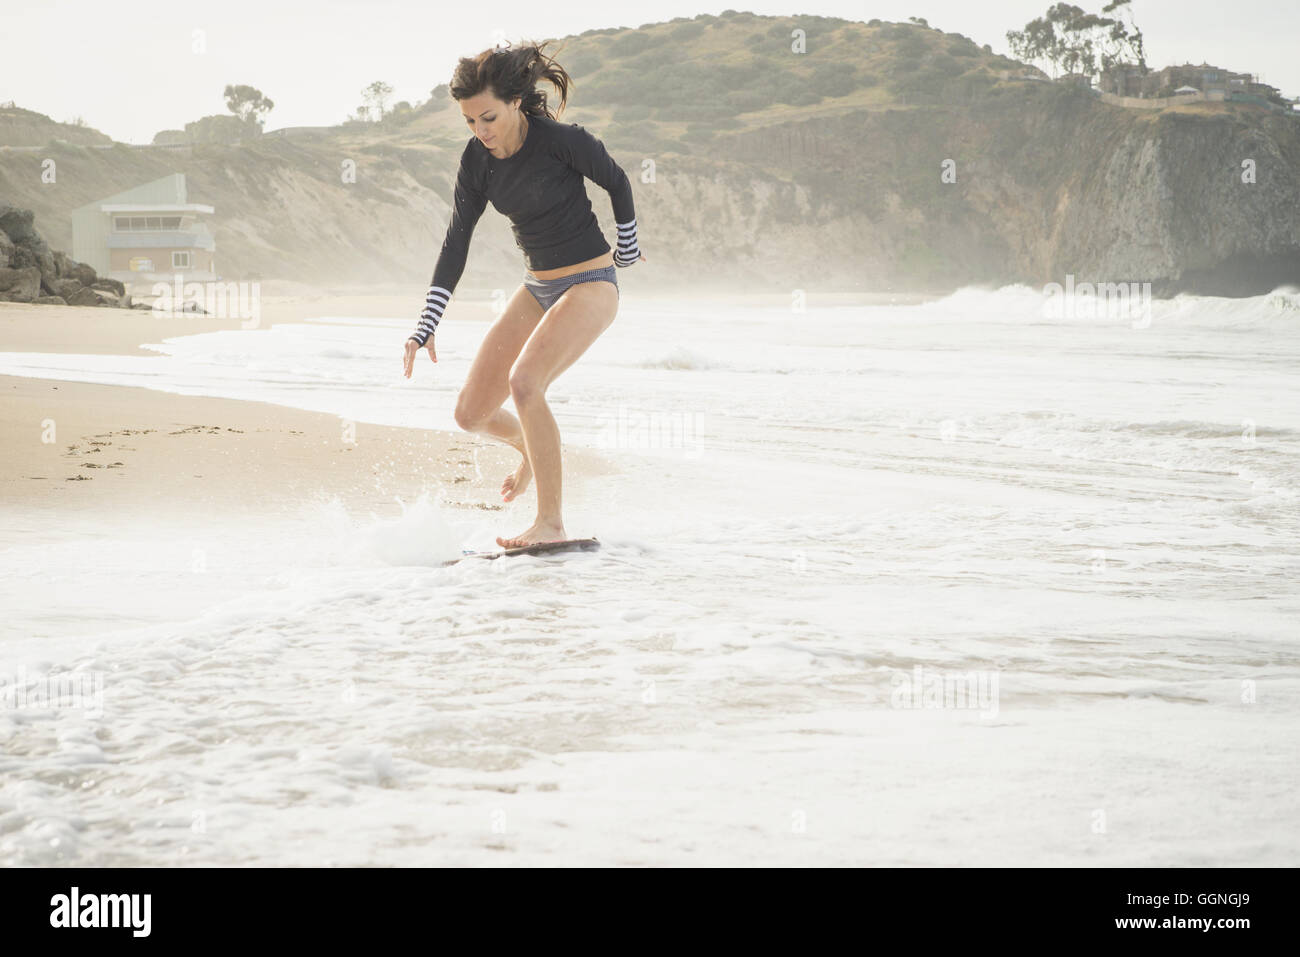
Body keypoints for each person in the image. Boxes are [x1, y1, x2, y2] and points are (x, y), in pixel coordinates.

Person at [402, 39, 645, 549]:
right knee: (471, 413)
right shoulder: (476, 163)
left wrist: (626, 249)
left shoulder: (561, 140)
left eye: (487, 117)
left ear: (515, 101)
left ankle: (551, 524)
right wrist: (425, 327)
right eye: (470, 122)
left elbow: (617, 182)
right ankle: (532, 451)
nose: (480, 131)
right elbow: (455, 244)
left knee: (526, 384)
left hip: (591, 282)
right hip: (538, 286)